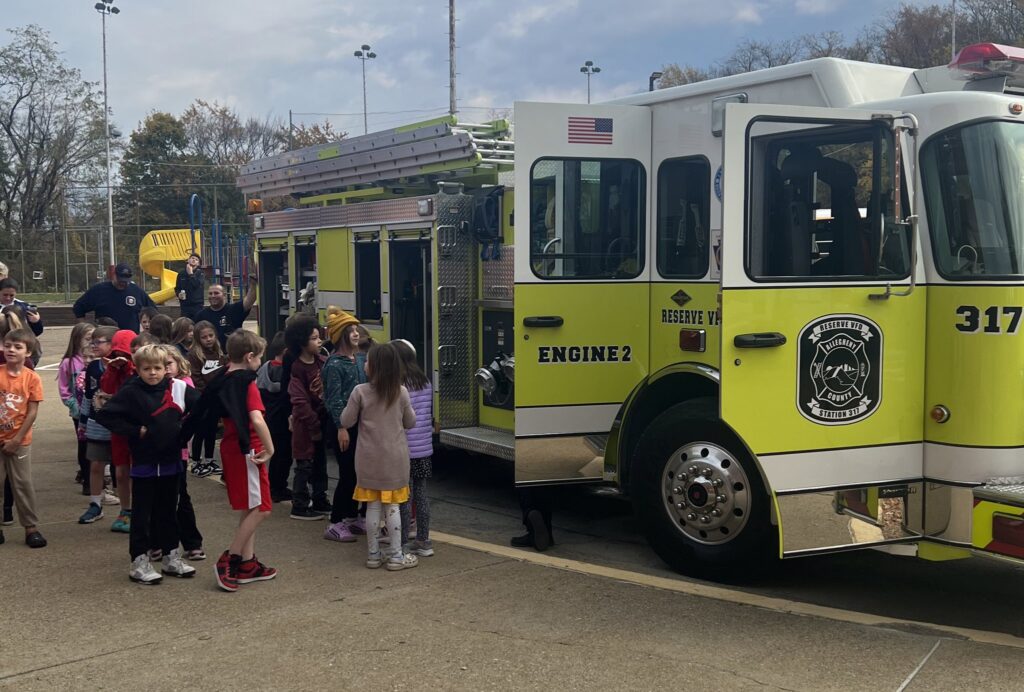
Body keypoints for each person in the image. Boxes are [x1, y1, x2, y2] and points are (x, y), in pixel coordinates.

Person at [96, 344, 199, 584]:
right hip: (144, 461)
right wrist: (135, 431)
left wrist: (184, 433)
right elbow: (106, 414)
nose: (152, 373)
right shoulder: (131, 391)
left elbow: (202, 407)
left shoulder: (179, 388)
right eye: (146, 368)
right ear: (138, 369)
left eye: (157, 368)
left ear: (166, 369)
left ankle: (171, 555)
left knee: (168, 509)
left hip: (172, 460)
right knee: (142, 513)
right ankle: (139, 560)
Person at [186, 329, 277, 592]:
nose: (259, 363)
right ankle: (231, 557)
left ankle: (248, 563)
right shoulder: (246, 382)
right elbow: (257, 418)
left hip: (233, 447)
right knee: (262, 507)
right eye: (259, 358)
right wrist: (271, 448)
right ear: (250, 357)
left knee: (250, 507)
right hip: (249, 450)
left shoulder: (223, 377)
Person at [339, 342, 418, 571]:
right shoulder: (401, 392)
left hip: (367, 459)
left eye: (367, 361)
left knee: (373, 506)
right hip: (395, 459)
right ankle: (396, 556)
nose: (364, 363)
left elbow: (346, 420)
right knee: (392, 507)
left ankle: (373, 555)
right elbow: (410, 422)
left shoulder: (360, 392)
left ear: (373, 367)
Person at [322, 309, 366, 542]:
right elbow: (333, 399)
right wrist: (341, 427)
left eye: (357, 330)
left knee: (360, 472)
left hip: (361, 424)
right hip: (344, 427)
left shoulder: (359, 359)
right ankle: (335, 521)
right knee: (347, 473)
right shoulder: (334, 365)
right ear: (341, 335)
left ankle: (353, 515)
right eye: (351, 331)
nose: (357, 334)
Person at [0, 327, 46, 548]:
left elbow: (32, 411)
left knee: (22, 484)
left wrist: (17, 439)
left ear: (28, 352)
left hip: (19, 440)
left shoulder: (32, 378)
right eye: (8, 345)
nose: (11, 350)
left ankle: (31, 527)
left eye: (17, 347)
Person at [161, 346, 205, 561]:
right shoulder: (150, 387)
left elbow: (198, 411)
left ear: (178, 363)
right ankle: (158, 542)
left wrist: (181, 432)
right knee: (158, 499)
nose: (165, 369)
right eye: (161, 365)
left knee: (181, 497)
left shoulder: (184, 386)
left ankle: (192, 542)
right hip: (155, 453)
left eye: (169, 364)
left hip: (179, 451)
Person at [285, 315, 330, 521]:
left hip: (321, 422)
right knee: (304, 465)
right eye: (313, 338)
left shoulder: (322, 362)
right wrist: (312, 423)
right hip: (305, 426)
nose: (319, 341)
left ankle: (320, 499)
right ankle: (300, 504)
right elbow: (299, 401)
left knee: (320, 463)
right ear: (301, 342)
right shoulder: (297, 368)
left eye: (319, 337)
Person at [393, 340, 435, 557]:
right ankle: (424, 540)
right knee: (422, 493)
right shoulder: (425, 381)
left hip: (404, 449)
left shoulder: (399, 385)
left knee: (404, 496)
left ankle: (401, 542)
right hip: (424, 448)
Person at [77, 326, 120, 525]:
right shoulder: (93, 367)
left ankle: (128, 509)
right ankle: (95, 503)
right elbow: (87, 395)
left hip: (119, 425)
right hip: (97, 423)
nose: (94, 345)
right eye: (92, 342)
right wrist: (83, 421)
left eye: (99, 342)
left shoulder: (124, 367)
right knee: (96, 464)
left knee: (122, 469)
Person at [58, 322, 94, 492]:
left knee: (96, 445)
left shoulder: (97, 359)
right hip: (79, 412)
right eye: (87, 338)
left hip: (96, 410)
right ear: (77, 339)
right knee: (83, 444)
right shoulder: (69, 362)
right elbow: (64, 388)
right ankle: (87, 480)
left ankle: (97, 479)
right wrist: (72, 404)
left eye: (93, 339)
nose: (90, 342)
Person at [256, 332, 292, 503]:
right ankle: (278, 488)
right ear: (286, 352)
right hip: (283, 421)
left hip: (268, 419)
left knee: (276, 455)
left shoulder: (264, 369)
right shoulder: (287, 372)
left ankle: (274, 486)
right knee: (284, 456)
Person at [187, 321, 226, 477]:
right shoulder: (194, 355)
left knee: (211, 430)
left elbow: (223, 372)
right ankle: (196, 461)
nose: (208, 339)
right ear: (198, 339)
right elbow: (196, 377)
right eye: (204, 337)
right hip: (202, 400)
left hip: (217, 399)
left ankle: (209, 459)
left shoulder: (219, 353)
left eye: (211, 335)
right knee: (200, 431)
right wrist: (207, 393)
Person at [73, 263, 155, 332]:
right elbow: (78, 308)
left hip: (129, 340)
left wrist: (146, 328)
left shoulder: (137, 291)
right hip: (105, 340)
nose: (123, 283)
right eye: (121, 280)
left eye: (126, 281)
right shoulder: (99, 290)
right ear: (114, 275)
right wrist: (85, 329)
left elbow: (153, 311)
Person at [194, 274, 258, 349]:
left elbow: (249, 300)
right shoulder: (201, 315)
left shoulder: (234, 310)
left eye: (216, 293)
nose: (213, 296)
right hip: (210, 356)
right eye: (210, 293)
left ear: (224, 295)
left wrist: (253, 284)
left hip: (232, 355)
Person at [175, 253, 205, 320]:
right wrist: (178, 294)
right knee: (184, 325)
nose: (194, 260)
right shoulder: (181, 274)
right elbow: (177, 288)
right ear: (188, 260)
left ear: (198, 264)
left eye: (196, 260)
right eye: (192, 258)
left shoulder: (201, 273)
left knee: (197, 324)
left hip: (197, 305)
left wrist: (191, 274)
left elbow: (196, 284)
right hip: (185, 305)